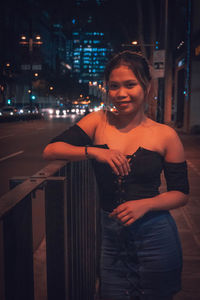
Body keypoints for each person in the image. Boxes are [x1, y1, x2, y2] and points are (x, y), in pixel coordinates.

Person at [43, 50, 189, 300]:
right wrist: (95, 152)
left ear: (147, 85)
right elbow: (51, 150)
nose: (121, 94)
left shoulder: (165, 135)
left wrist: (146, 204)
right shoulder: (98, 121)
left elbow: (181, 194)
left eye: (130, 85)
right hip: (113, 240)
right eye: (114, 86)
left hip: (156, 237)